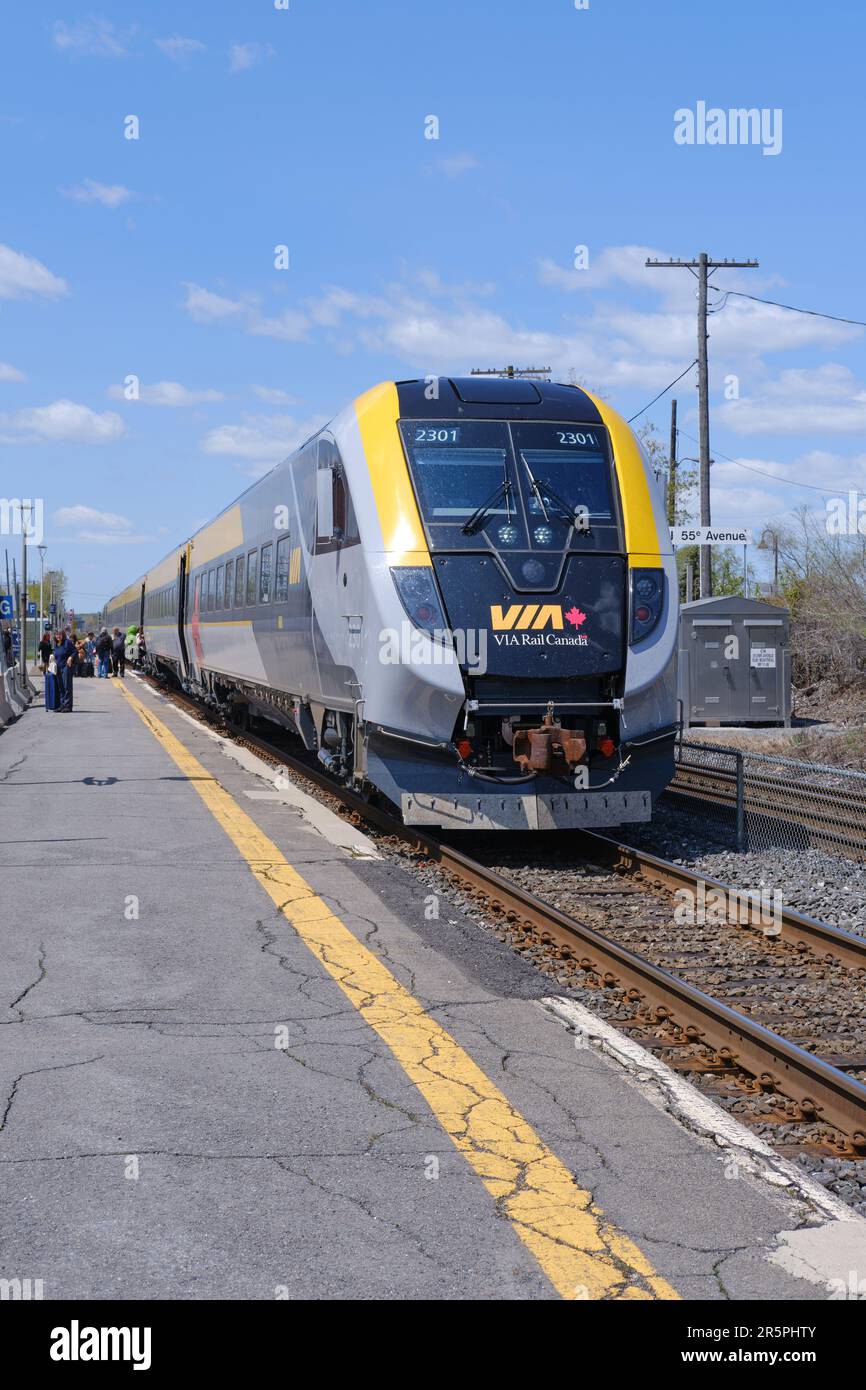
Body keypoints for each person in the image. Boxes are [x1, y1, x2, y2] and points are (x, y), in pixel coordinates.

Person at [54, 628, 76, 712]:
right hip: (58, 667)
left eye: (59, 634)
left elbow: (75, 651)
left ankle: (68, 706)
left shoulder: (68, 642)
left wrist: (70, 657)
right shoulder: (57, 644)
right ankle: (62, 704)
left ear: (63, 635)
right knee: (61, 686)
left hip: (66, 666)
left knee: (67, 686)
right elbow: (57, 655)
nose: (58, 636)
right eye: (56, 634)